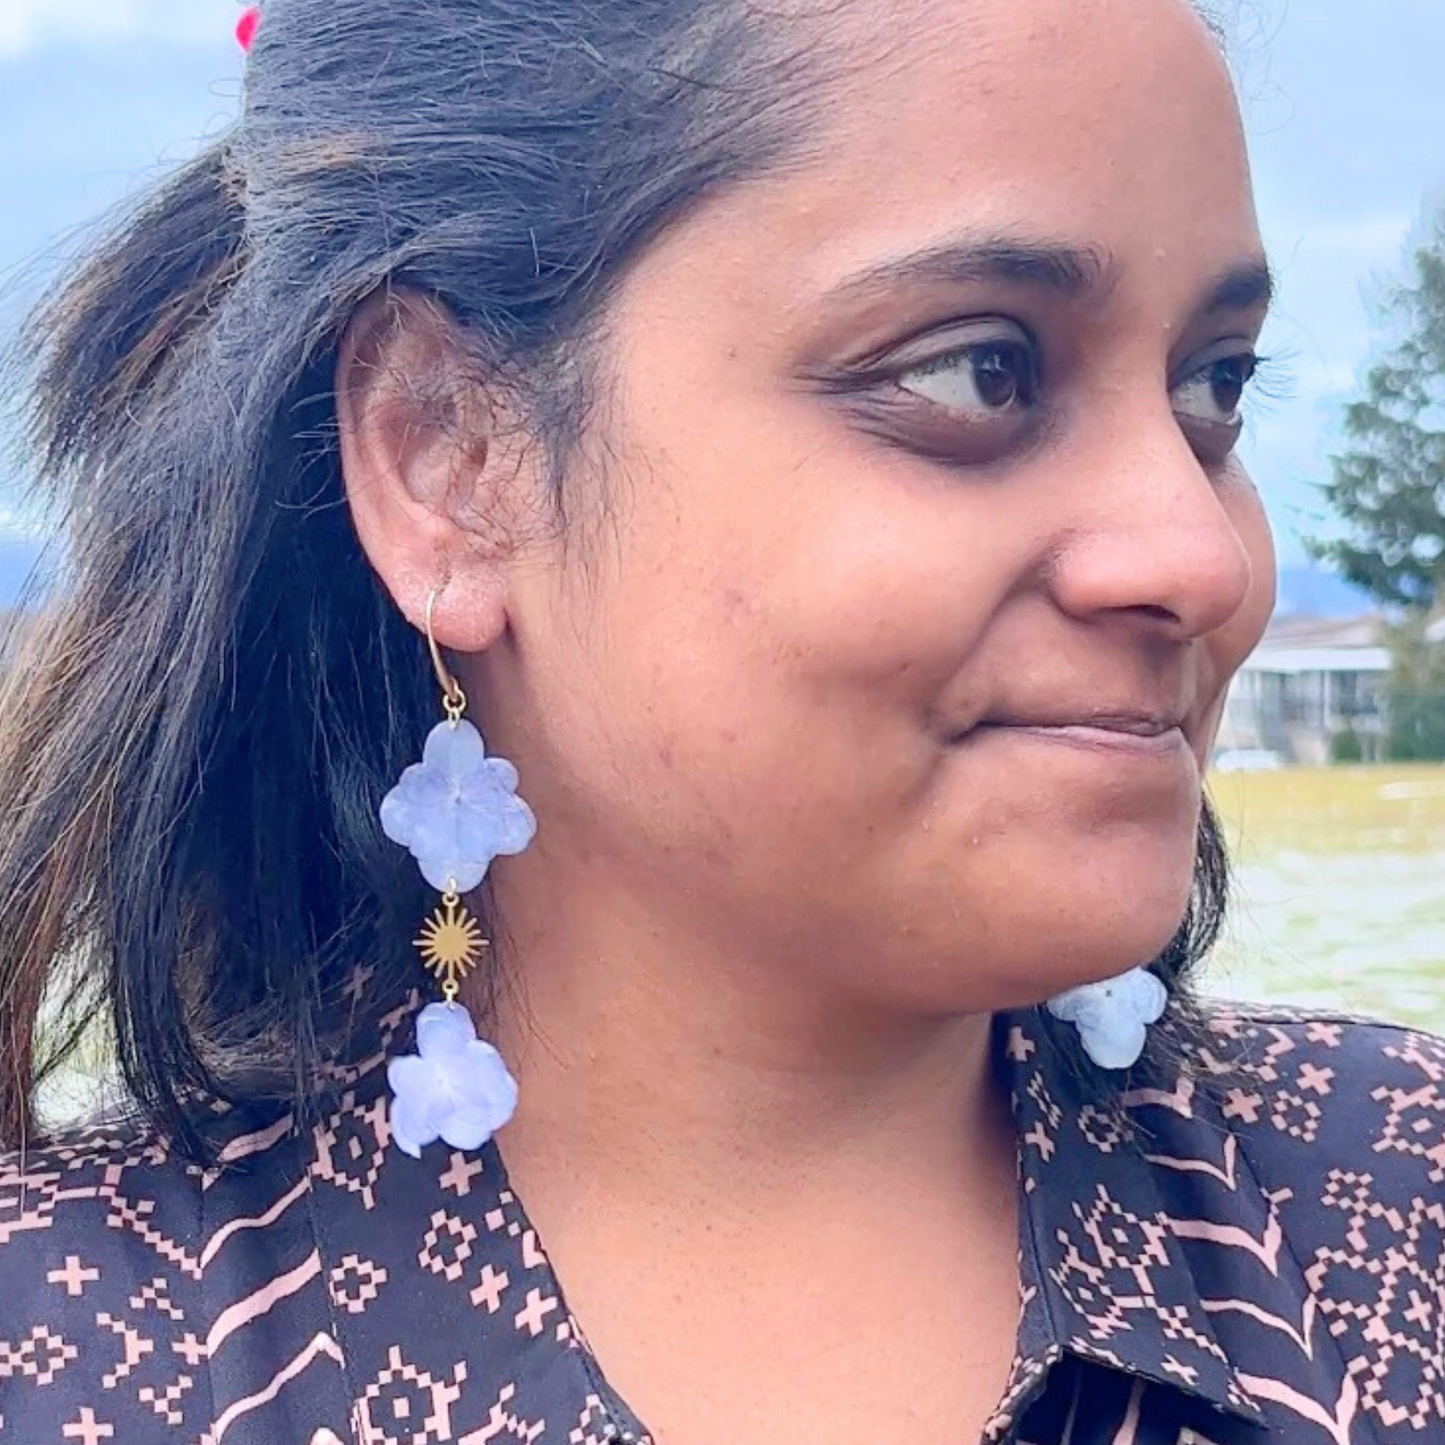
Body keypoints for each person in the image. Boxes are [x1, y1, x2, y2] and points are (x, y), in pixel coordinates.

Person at [0, 0, 1440, 1441]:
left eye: (1214, 386)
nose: (1198, 556)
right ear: (450, 454)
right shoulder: (67, 1355)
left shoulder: (1397, 1210)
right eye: (978, 371)